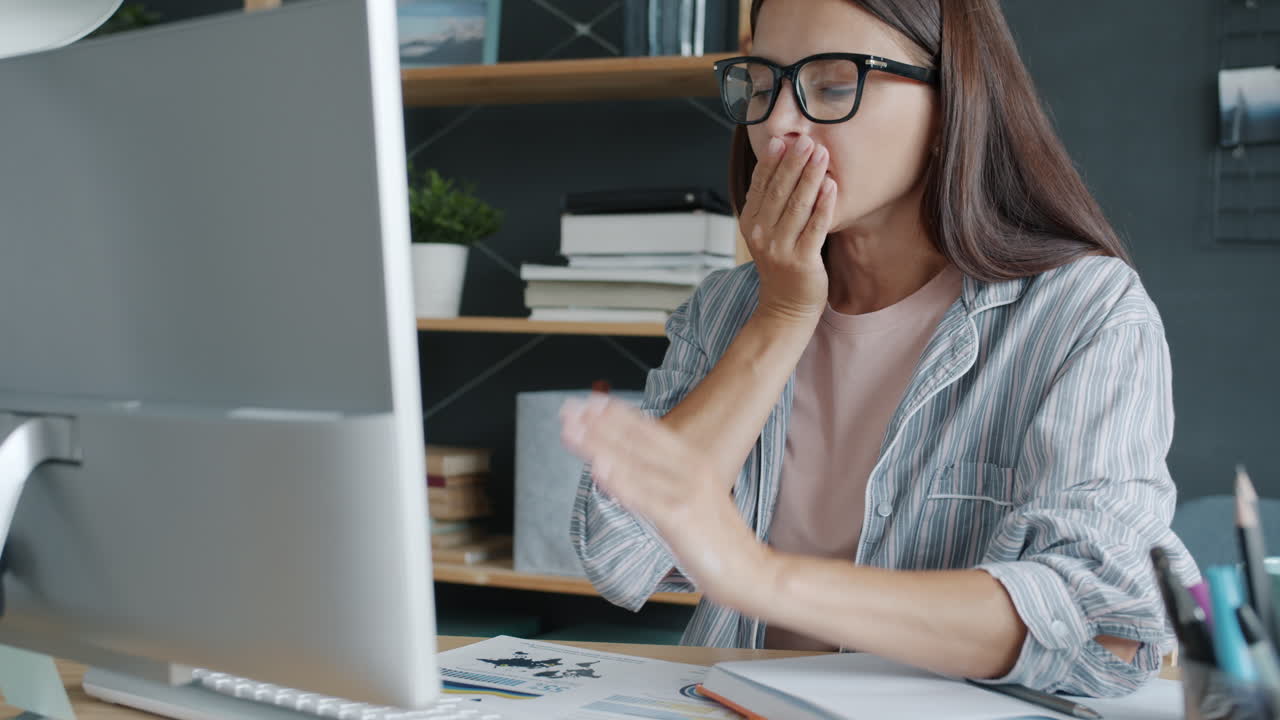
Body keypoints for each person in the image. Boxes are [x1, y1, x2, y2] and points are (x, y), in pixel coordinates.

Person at [561, 0, 1198, 697]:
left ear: (951, 102)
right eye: (763, 85)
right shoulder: (725, 309)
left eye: (835, 85)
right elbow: (619, 556)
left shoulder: (1084, 312)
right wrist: (779, 317)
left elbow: (1101, 620)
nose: (778, 125)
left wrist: (763, 579)